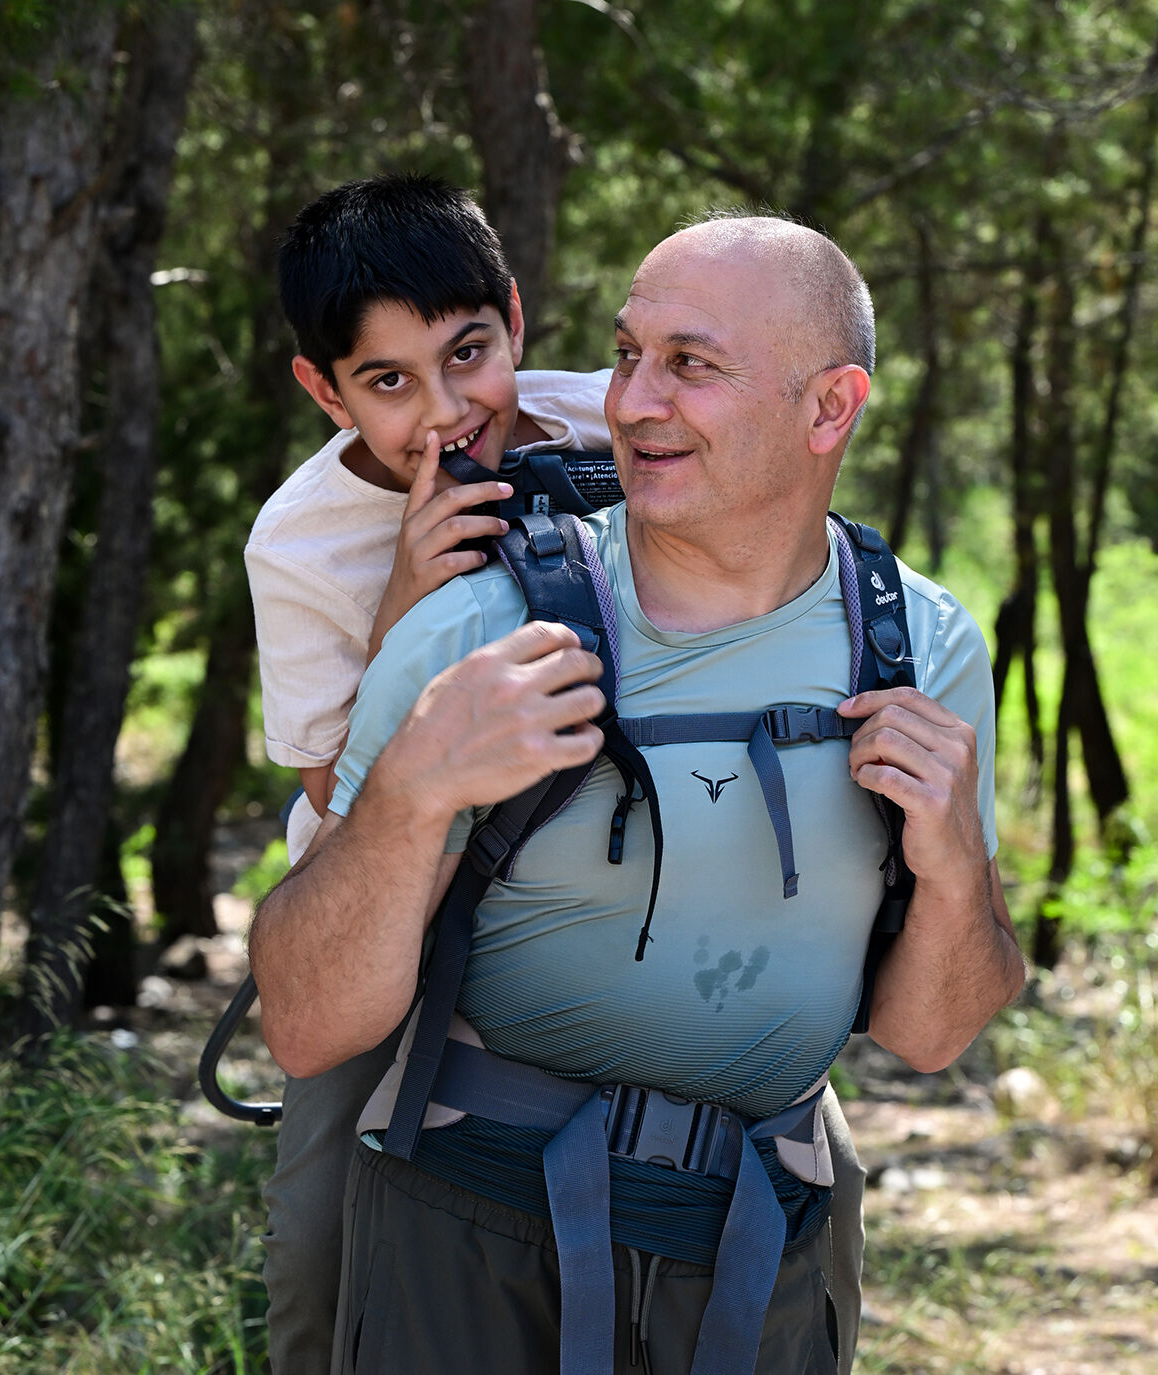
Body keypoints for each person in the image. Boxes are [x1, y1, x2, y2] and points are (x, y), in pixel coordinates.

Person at [250, 212, 1026, 1375]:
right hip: (465, 1203)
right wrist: (411, 772)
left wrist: (956, 863)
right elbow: (307, 1004)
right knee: (313, 1243)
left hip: (756, 1228)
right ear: (328, 388)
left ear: (830, 408)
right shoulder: (360, 573)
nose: (630, 400)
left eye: (687, 365)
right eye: (625, 356)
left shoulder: (918, 645)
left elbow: (930, 1034)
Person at [246, 173, 616, 1372]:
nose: (447, 410)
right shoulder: (301, 542)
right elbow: (325, 795)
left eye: (471, 352)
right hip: (385, 917)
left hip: (578, 875)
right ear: (323, 389)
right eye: (388, 382)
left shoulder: (594, 423)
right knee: (320, 1251)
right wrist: (407, 607)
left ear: (514, 315)